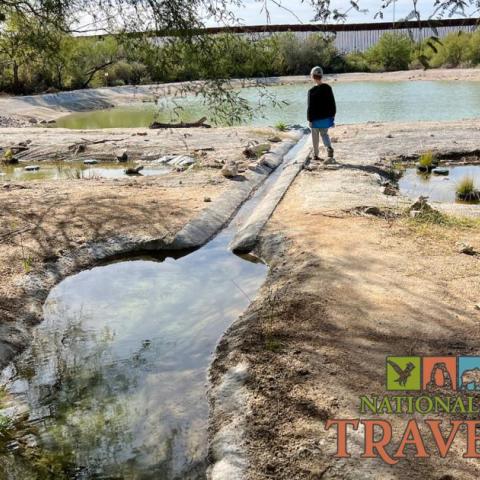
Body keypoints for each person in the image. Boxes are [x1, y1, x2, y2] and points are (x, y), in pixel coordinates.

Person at [307, 66, 336, 163]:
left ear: (312, 76)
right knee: (324, 134)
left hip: (315, 119)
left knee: (315, 137)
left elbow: (310, 107)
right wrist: (332, 115)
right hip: (326, 118)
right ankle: (328, 147)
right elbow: (332, 103)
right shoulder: (328, 88)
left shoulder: (311, 91)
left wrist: (309, 119)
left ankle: (315, 155)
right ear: (321, 76)